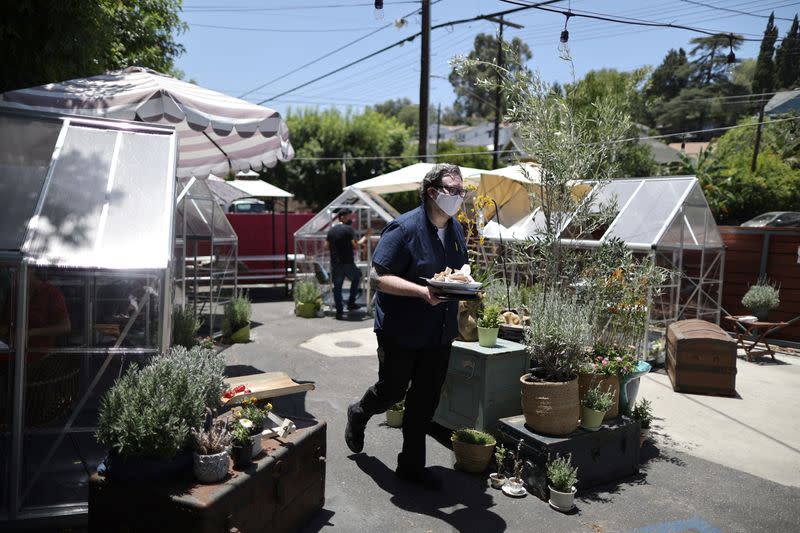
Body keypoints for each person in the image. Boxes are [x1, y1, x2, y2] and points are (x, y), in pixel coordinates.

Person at [345, 163, 468, 490]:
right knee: (393, 391)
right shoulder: (403, 228)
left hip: (439, 332)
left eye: (461, 191)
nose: (459, 196)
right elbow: (377, 277)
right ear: (432, 193)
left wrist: (464, 279)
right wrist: (420, 291)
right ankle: (359, 412)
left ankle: (411, 465)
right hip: (401, 330)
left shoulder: (455, 228)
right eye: (452, 190)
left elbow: (459, 266)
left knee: (425, 400)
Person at [325, 209, 368, 320]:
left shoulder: (331, 230)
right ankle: (351, 303)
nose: (350, 219)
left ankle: (339, 311)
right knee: (357, 278)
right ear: (342, 217)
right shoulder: (349, 230)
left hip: (336, 263)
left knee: (337, 287)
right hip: (348, 262)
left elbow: (326, 246)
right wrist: (367, 236)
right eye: (349, 217)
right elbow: (356, 245)